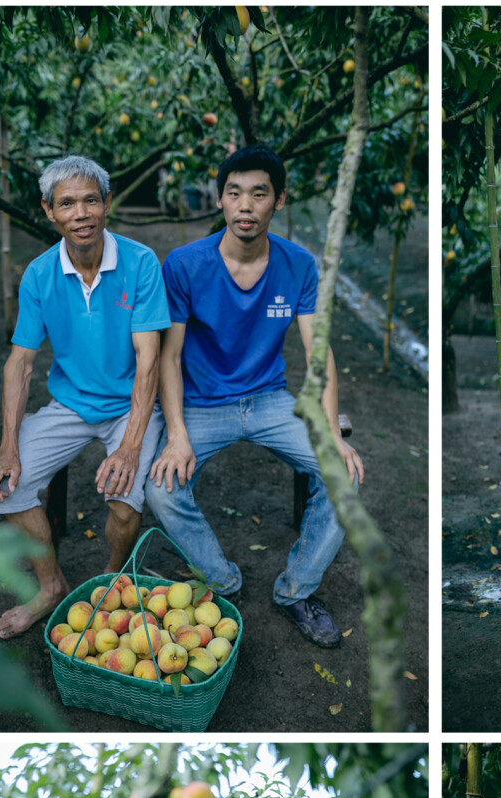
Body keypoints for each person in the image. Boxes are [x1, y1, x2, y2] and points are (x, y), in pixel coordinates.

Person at [146, 143, 364, 648]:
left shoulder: (298, 265)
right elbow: (168, 358)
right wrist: (176, 435)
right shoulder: (184, 265)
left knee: (344, 475)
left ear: (278, 200)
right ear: (220, 200)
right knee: (161, 488)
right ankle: (221, 582)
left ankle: (296, 589)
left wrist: (332, 434)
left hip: (269, 400)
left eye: (259, 194)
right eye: (234, 193)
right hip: (203, 404)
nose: (246, 205)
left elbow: (319, 351)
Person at [0, 155, 169, 639]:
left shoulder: (141, 263)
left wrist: (129, 446)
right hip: (70, 405)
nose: (80, 213)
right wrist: (8, 447)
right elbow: (20, 363)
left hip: (131, 407)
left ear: (107, 203)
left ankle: (111, 582)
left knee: (125, 501)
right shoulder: (40, 275)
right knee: (7, 483)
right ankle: (50, 586)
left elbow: (149, 361)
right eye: (67, 203)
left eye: (90, 200)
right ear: (49, 211)